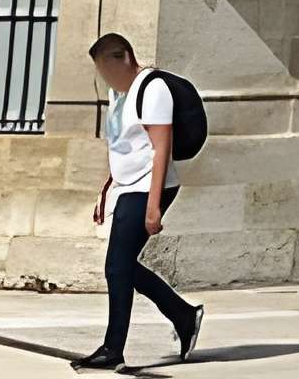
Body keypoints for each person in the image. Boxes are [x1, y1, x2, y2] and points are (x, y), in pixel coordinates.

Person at [71, 34, 203, 373]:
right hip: (128, 187)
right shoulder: (121, 93)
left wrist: (154, 205)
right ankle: (183, 315)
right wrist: (107, 189)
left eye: (108, 69)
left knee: (117, 267)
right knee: (123, 266)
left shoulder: (152, 89)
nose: (106, 79)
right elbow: (122, 146)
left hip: (149, 187)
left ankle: (113, 349)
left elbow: (160, 148)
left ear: (125, 58)